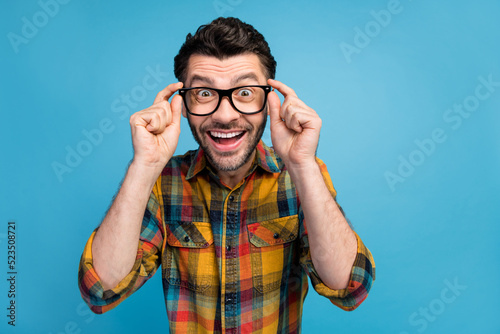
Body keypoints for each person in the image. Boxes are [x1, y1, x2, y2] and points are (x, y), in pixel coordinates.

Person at [78, 17, 375, 333]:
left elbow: (350, 288)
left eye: (245, 92)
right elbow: (101, 290)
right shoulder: (162, 182)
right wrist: (144, 165)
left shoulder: (303, 177)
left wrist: (302, 165)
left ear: (269, 102)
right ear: (183, 104)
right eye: (204, 93)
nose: (225, 114)